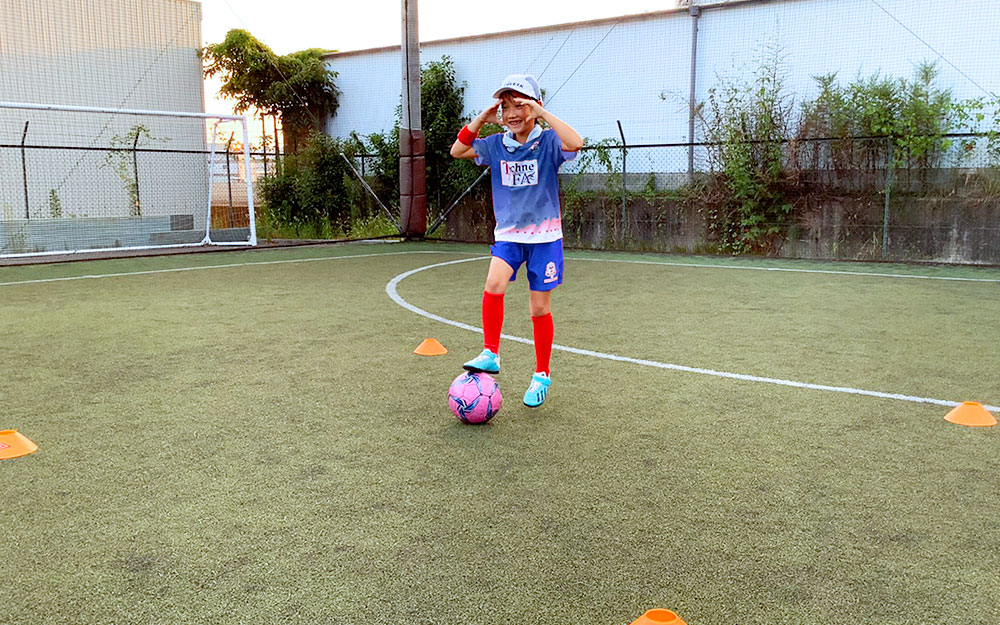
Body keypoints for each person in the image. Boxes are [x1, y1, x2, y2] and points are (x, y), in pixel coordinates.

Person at [450, 74, 583, 407]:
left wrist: (543, 113)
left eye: (520, 105)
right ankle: (491, 352)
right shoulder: (496, 144)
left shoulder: (549, 142)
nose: (512, 114)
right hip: (509, 236)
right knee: (493, 284)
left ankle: (541, 375)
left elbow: (575, 143)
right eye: (506, 107)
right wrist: (482, 118)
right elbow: (458, 150)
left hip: (545, 238)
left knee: (538, 308)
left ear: (534, 107)